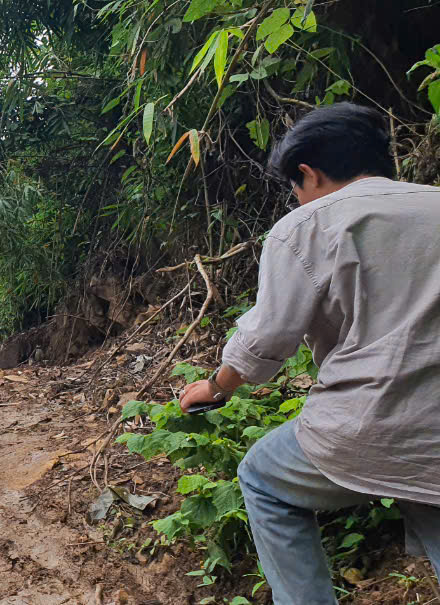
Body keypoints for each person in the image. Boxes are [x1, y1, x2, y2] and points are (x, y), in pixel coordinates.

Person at [178, 102, 440, 604]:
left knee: (262, 478)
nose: (296, 201)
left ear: (308, 174)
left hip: (370, 422)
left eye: (294, 190)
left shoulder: (308, 226)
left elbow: (269, 337)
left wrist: (214, 388)